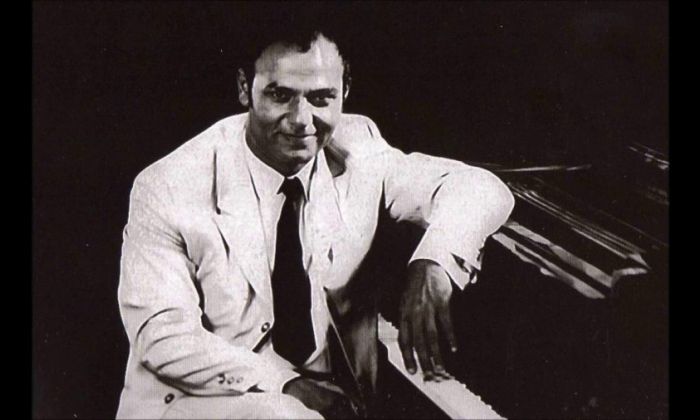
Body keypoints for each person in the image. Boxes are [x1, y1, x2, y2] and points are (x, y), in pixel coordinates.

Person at [116, 26, 514, 419]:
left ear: (345, 90)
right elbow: (163, 335)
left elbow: (481, 187)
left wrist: (434, 263)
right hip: (205, 401)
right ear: (244, 88)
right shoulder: (168, 184)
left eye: (321, 98)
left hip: (337, 404)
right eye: (280, 95)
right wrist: (286, 384)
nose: (301, 120)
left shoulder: (359, 148)